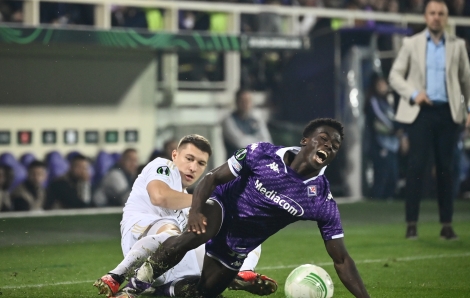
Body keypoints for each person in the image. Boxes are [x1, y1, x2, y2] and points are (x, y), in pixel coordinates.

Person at [125, 118, 370, 298]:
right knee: (196, 234)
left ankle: (158, 294)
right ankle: (134, 286)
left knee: (203, 294)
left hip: (240, 243)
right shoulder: (262, 153)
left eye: (335, 146)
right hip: (222, 206)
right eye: (324, 139)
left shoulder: (320, 199)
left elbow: (341, 259)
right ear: (305, 140)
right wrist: (197, 210)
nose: (329, 146)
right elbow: (211, 178)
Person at [94, 135, 276, 298]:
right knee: (171, 229)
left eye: (201, 163)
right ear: (174, 155)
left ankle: (240, 273)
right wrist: (204, 202)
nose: (193, 167)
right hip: (139, 237)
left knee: (240, 231)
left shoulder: (189, 204)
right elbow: (160, 197)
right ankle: (117, 275)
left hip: (165, 259)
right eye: (189, 159)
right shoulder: (163, 166)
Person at [388, 0, 470, 240]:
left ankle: (446, 225)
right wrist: (414, 93)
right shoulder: (412, 43)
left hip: (448, 114)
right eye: (432, 13)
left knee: (447, 170)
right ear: (426, 16)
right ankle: (411, 225)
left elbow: (467, 80)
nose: (436, 17)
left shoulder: (457, 45)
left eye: (441, 13)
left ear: (446, 18)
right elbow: (395, 75)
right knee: (416, 168)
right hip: (421, 113)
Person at [364, 74, 401, 199]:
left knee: (392, 176)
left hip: (391, 145)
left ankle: (386, 201)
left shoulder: (388, 101)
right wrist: (395, 129)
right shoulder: (373, 101)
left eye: (384, 84)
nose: (383, 87)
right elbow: (380, 118)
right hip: (380, 144)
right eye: (380, 84)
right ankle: (376, 202)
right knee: (381, 176)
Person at [222, 89, 272, 159]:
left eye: (248, 101)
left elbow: (267, 142)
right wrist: (258, 141)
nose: (245, 104)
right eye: (242, 101)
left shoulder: (256, 119)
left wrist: (245, 137)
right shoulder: (228, 120)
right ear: (236, 102)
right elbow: (240, 143)